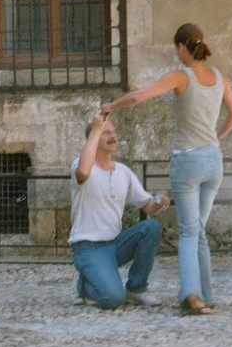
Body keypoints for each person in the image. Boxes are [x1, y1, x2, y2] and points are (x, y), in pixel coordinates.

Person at [100, 23, 232, 316]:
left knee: (188, 231)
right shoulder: (220, 77)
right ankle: (205, 295)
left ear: (180, 47)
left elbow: (139, 96)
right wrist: (216, 139)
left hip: (188, 160)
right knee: (198, 230)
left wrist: (111, 106)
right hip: (213, 160)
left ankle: (190, 296)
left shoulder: (180, 76)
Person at [69, 109, 169, 309]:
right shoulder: (80, 166)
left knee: (151, 228)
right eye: (105, 132)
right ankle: (84, 286)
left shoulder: (123, 172)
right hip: (88, 247)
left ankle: (136, 289)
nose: (113, 136)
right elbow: (83, 172)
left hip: (115, 244)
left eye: (113, 132)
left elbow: (147, 206)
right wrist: (96, 127)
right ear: (93, 138)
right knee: (113, 299)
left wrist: (159, 201)